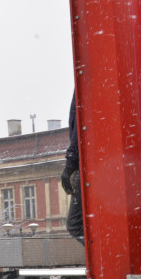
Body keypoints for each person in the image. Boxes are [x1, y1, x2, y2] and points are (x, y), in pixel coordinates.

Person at [61, 93, 84, 244]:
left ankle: (99, 261)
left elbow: (79, 126)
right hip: (91, 162)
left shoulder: (84, 79)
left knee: (75, 224)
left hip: (87, 164)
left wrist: (71, 164)